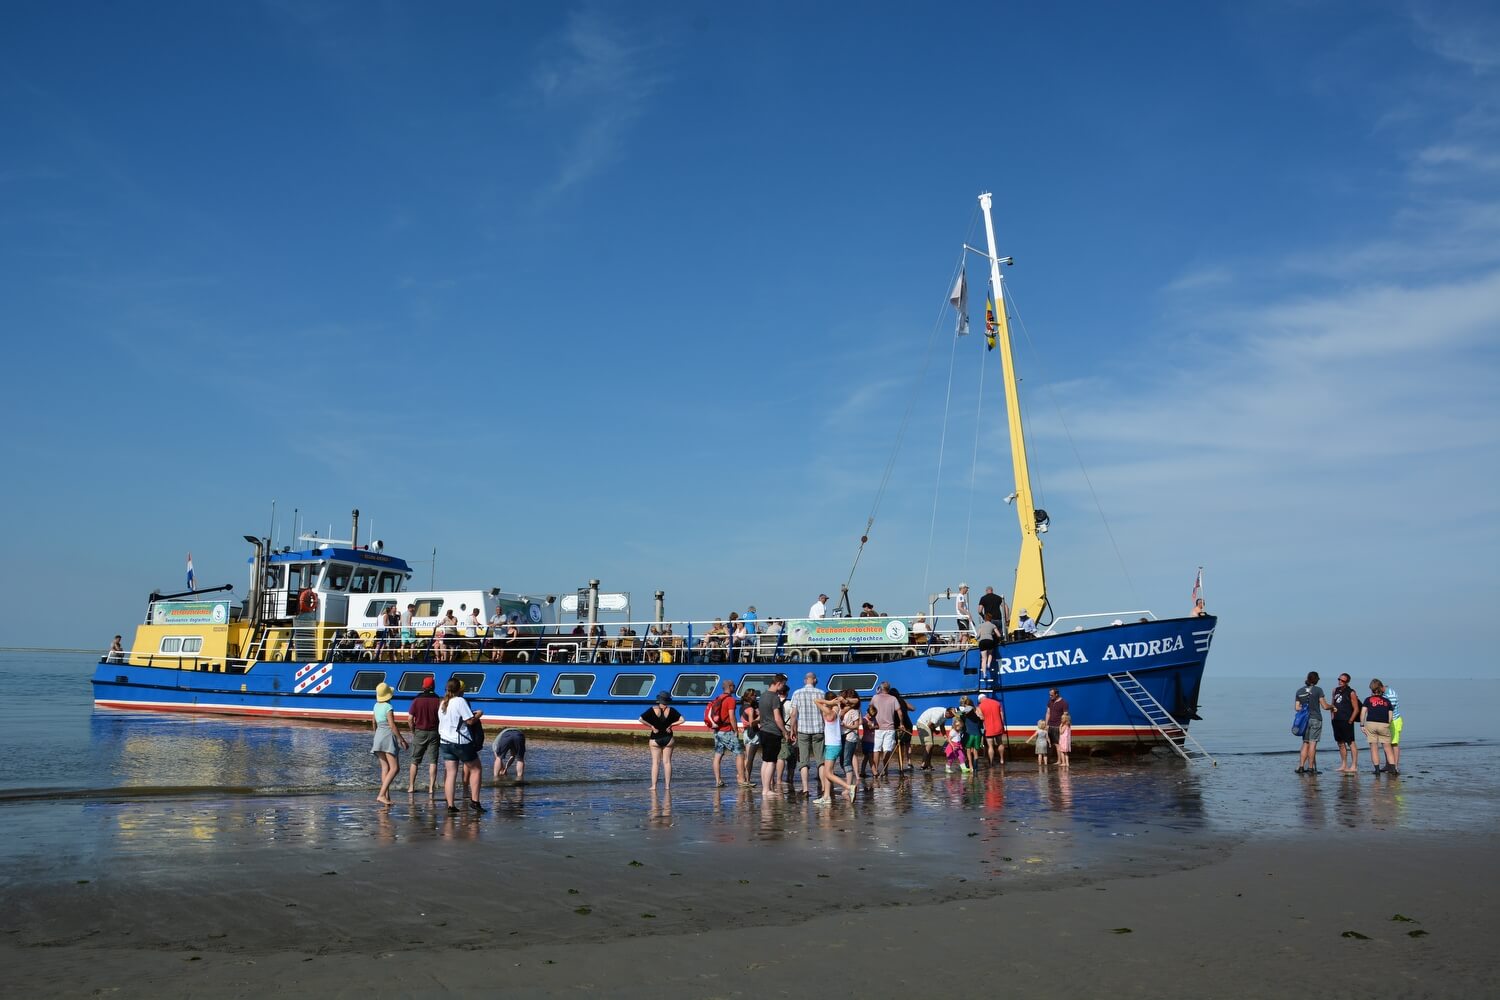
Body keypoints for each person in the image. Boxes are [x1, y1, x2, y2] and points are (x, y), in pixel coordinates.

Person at [438, 678, 485, 814]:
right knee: (476, 769)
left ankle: (451, 806)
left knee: (451, 774)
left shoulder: (442, 704)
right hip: (460, 742)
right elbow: (470, 721)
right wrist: (479, 715)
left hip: (445, 742)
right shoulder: (460, 701)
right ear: (459, 689)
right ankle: (475, 801)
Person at [813, 694, 857, 804]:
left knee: (827, 773)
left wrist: (830, 702)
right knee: (829, 771)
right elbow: (855, 702)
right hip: (836, 744)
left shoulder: (829, 712)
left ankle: (848, 787)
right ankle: (826, 796)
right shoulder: (837, 710)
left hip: (831, 745)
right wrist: (841, 701)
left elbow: (816, 701)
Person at [789, 673, 826, 797]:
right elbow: (824, 713)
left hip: (803, 730)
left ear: (805, 680)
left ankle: (805, 789)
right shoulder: (821, 693)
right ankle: (824, 788)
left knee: (803, 761)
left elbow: (793, 714)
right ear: (815, 680)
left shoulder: (797, 693)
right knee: (820, 761)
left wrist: (792, 730)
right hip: (819, 730)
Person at [370, 682, 407, 804]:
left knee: (385, 768)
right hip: (387, 737)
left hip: (378, 736)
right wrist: (401, 739)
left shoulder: (375, 706)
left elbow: (374, 723)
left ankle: (386, 796)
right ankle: (381, 795)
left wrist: (376, 735)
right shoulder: (388, 707)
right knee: (395, 768)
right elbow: (392, 725)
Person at [405, 675, 441, 795]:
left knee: (415, 761)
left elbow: (410, 719)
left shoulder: (416, 700)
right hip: (434, 732)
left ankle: (411, 786)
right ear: (434, 686)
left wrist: (413, 731)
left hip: (420, 731)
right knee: (433, 761)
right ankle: (431, 788)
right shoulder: (438, 701)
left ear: (423, 686)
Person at [640, 692, 682, 790]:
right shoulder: (671, 710)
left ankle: (654, 786)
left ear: (659, 700)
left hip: (655, 738)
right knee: (667, 762)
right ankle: (667, 786)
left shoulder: (653, 709)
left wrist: (651, 726)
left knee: (655, 763)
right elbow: (682, 720)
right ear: (667, 701)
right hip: (668, 738)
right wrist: (671, 725)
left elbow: (640, 719)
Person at [1293, 671, 1333, 774]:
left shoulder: (1299, 691)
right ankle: (1311, 768)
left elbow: (1297, 708)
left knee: (1305, 743)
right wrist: (1332, 706)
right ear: (1316, 680)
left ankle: (1301, 767)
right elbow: (1324, 706)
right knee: (1312, 743)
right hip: (1315, 718)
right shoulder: (1318, 690)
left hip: (1304, 721)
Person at [757, 676, 788, 794]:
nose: (783, 687)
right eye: (783, 685)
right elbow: (777, 718)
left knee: (765, 760)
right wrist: (784, 731)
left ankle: (765, 788)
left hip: (763, 731)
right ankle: (766, 790)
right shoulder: (775, 698)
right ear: (778, 683)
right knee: (772, 761)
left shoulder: (763, 696)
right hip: (773, 732)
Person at [707, 679, 741, 788]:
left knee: (717, 756)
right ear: (730, 687)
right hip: (727, 731)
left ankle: (718, 781)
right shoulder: (730, 700)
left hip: (717, 731)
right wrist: (736, 730)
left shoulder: (718, 698)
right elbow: (732, 717)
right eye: (734, 686)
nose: (734, 688)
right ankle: (742, 780)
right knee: (740, 754)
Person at [1361, 680, 1396, 774]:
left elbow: (1363, 712)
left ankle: (1377, 770)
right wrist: (1388, 723)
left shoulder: (1368, 700)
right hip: (1384, 724)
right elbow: (1390, 714)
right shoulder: (1387, 701)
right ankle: (1393, 769)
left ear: (1372, 690)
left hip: (1371, 724)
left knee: (1374, 747)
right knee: (1388, 748)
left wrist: (1362, 724)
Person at [1329, 672, 1362, 773]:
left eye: (1342, 680)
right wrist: (1332, 717)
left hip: (1346, 720)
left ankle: (1354, 765)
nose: (1340, 681)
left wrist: (1351, 720)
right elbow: (1332, 704)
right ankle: (1343, 764)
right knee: (1340, 743)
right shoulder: (1335, 690)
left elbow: (1356, 709)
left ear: (1347, 682)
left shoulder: (1351, 692)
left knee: (1350, 742)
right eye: (1339, 679)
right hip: (1336, 720)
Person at [869, 682, 900, 778]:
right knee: (887, 749)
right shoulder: (893, 698)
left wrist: (872, 719)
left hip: (878, 727)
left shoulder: (875, 697)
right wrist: (902, 723)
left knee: (876, 750)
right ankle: (885, 770)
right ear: (889, 689)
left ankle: (876, 771)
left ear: (881, 688)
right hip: (890, 728)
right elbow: (900, 712)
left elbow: (870, 708)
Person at [914, 705, 952, 769]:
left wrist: (945, 737)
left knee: (931, 745)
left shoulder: (945, 715)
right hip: (923, 724)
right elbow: (930, 725)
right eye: (952, 716)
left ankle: (928, 764)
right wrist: (935, 731)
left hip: (928, 725)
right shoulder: (939, 714)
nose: (952, 717)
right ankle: (923, 764)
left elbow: (942, 727)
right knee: (929, 744)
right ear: (948, 713)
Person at [739, 688, 761, 787]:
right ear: (750, 697)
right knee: (750, 759)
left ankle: (741, 777)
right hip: (753, 733)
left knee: (747, 757)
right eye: (754, 695)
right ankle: (747, 779)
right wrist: (760, 717)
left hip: (746, 733)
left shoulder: (742, 707)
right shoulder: (751, 709)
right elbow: (752, 723)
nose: (756, 697)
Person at [978, 691, 1005, 767]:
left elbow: (981, 718)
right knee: (1000, 743)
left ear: (980, 699)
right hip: (998, 726)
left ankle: (991, 762)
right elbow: (1002, 715)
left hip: (988, 727)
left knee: (990, 746)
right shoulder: (997, 703)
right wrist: (1002, 724)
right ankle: (1002, 759)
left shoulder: (980, 706)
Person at [957, 695, 981, 771]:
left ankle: (970, 767)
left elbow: (959, 716)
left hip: (969, 734)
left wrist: (955, 712)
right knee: (975, 752)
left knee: (968, 751)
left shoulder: (963, 712)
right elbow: (981, 719)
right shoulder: (976, 710)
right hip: (978, 734)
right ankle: (976, 767)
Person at [1045, 689, 1069, 764]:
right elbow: (1048, 713)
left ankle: (1059, 761)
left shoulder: (1063, 703)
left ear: (1057, 694)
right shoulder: (1050, 702)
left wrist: (1062, 726)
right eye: (1049, 695)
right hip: (1050, 725)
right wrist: (1046, 724)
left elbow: (1065, 715)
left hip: (1057, 726)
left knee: (1057, 744)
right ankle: (1047, 760)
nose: (1050, 696)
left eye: (1051, 695)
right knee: (1049, 743)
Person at [975, 613, 1001, 677]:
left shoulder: (981, 625)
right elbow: (999, 635)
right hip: (989, 641)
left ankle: (984, 674)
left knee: (984, 659)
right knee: (990, 654)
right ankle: (989, 664)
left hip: (982, 642)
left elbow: (977, 636)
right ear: (990, 619)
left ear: (984, 619)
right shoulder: (993, 625)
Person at [1384, 681, 1403, 771]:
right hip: (1386, 721)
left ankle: (1395, 766)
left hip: (1394, 721)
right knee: (1386, 744)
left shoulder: (1390, 694)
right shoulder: (1383, 694)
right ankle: (1388, 765)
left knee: (1394, 744)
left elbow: (1389, 709)